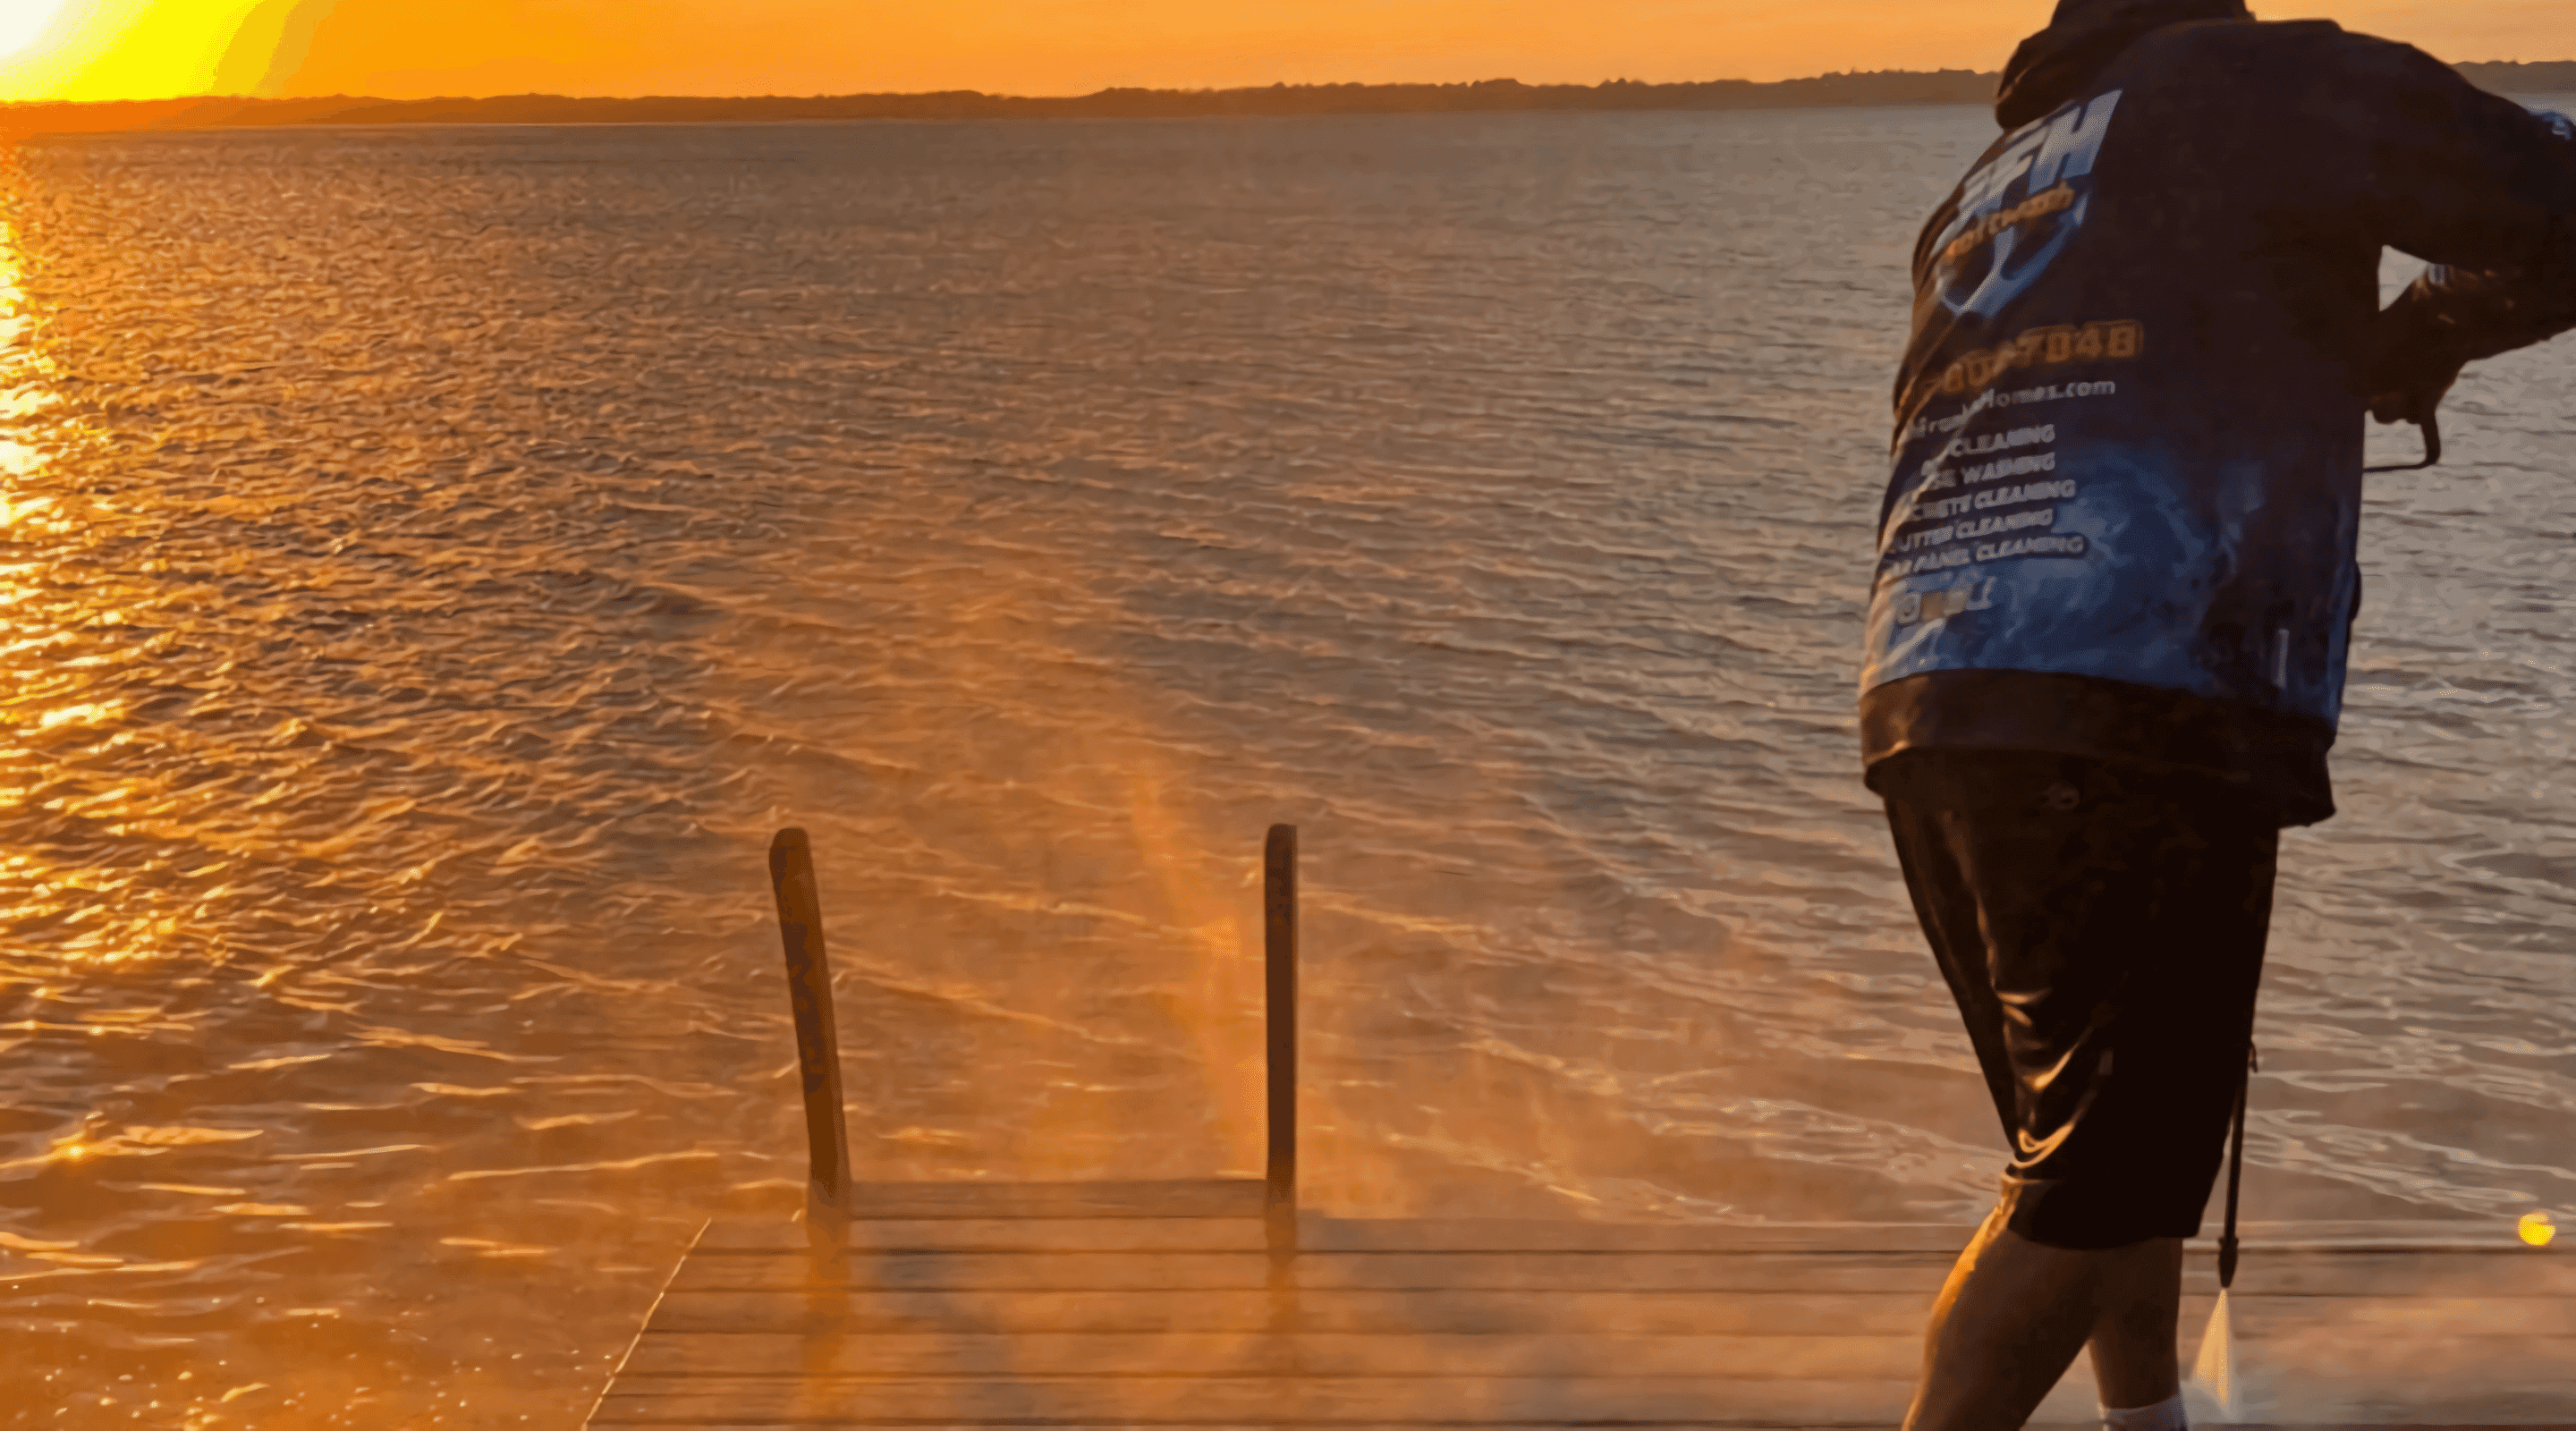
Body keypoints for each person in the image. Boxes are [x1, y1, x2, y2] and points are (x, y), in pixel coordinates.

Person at [1856, 2, 2576, 1427]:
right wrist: (2429, 326)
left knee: (2107, 1138)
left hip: (1935, 687)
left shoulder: (1992, 184)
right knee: (2105, 1167)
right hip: (2136, 681)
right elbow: (2555, 205)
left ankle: (2150, 1420)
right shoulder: (2265, 80)